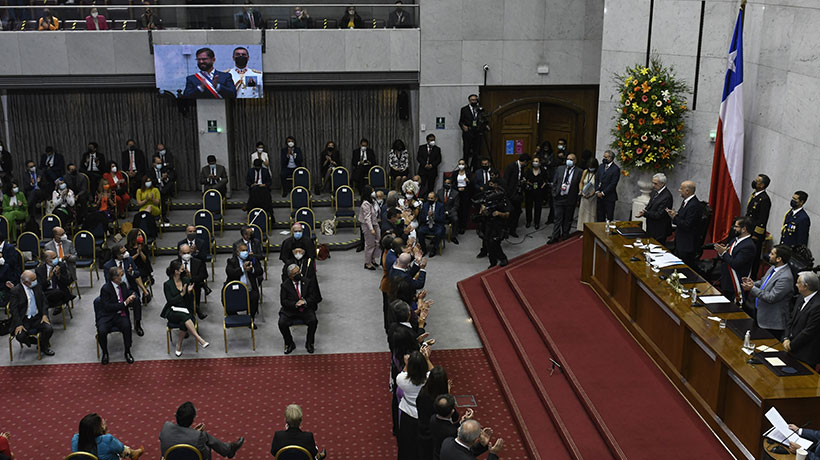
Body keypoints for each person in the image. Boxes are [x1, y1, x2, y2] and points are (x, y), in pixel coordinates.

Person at [741, 245, 793, 339]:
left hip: (771, 322)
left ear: (779, 259)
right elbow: (763, 282)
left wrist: (752, 288)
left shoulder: (786, 278)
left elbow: (771, 298)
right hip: (760, 313)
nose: (769, 255)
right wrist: (752, 283)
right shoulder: (773, 268)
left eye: (772, 254)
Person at [159, 402, 243, 459]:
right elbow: (204, 455)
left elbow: (173, 439)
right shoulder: (198, 436)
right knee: (206, 442)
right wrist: (196, 433)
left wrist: (192, 432)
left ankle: (229, 450)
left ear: (175, 415)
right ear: (193, 420)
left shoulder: (166, 427)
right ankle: (228, 450)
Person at [162, 260, 210, 356]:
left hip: (186, 309)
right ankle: (199, 339)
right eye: (182, 269)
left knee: (184, 320)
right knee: (185, 317)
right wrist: (182, 294)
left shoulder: (186, 281)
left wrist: (188, 293)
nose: (184, 271)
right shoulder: (167, 284)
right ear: (176, 271)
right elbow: (171, 301)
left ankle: (179, 345)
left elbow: (191, 300)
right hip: (172, 311)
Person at [97, 266, 140, 365]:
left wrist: (132, 294)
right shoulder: (105, 289)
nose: (123, 277)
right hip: (107, 315)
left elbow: (127, 293)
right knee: (102, 331)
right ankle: (105, 353)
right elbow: (107, 307)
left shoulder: (123, 285)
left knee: (127, 327)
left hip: (121, 314)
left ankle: (127, 351)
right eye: (121, 275)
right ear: (115, 278)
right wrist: (125, 303)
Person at [396, 347, 434, 460]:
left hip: (407, 414)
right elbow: (435, 373)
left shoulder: (401, 379)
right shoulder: (429, 379)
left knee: (407, 443)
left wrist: (407, 363)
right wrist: (427, 359)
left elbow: (404, 372)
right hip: (425, 414)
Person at [9, 270, 54, 356]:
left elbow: (44, 302)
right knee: (20, 336)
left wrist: (45, 315)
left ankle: (44, 347)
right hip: (24, 319)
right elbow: (14, 309)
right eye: (33, 280)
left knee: (49, 329)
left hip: (37, 317)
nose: (36, 281)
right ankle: (38, 342)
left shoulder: (37, 287)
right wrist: (18, 324)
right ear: (26, 282)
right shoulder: (16, 291)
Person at [103, 245, 149, 327]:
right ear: (117, 255)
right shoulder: (108, 266)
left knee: (137, 300)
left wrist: (131, 272)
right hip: (117, 290)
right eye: (123, 252)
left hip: (129, 289)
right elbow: (108, 282)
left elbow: (137, 273)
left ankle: (137, 324)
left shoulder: (129, 260)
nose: (126, 253)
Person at [279, 264, 320, 354]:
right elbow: (283, 301)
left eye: (298, 272)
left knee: (313, 321)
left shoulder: (307, 282)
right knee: (282, 323)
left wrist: (305, 302)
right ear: (290, 276)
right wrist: (295, 304)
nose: (298, 274)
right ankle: (289, 343)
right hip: (290, 310)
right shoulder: (285, 285)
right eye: (295, 273)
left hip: (305, 309)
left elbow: (313, 297)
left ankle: (309, 343)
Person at [715, 217, 756, 304]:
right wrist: (721, 251)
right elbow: (728, 255)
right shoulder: (735, 240)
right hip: (727, 279)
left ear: (744, 229)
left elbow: (735, 263)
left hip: (735, 282)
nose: (734, 228)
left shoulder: (748, 246)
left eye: (736, 227)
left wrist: (723, 253)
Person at [784, 271, 820, 367]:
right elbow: (791, 319)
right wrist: (786, 338)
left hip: (805, 353)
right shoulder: (801, 297)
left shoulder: (818, 306)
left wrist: (791, 345)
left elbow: (809, 331)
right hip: (791, 347)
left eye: (798, 283)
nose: (796, 285)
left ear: (805, 286)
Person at [666, 180, 704, 268]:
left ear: (687, 191)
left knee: (685, 269)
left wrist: (674, 217)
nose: (679, 190)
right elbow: (683, 218)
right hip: (681, 241)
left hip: (687, 244)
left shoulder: (693, 205)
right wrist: (675, 215)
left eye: (681, 189)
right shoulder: (687, 202)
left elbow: (687, 225)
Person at [474, 174, 510, 267]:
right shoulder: (488, 195)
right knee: (487, 241)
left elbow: (508, 214)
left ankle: (502, 258)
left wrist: (499, 213)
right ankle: (492, 262)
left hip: (499, 223)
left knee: (495, 242)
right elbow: (483, 207)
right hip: (488, 222)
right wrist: (483, 210)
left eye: (492, 184)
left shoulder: (503, 197)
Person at [72, 413, 144, 460]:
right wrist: (105, 432)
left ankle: (133, 453)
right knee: (119, 449)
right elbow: (120, 449)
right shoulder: (106, 439)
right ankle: (132, 453)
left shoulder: (75, 439)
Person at [417, 366, 450, 460]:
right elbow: (448, 414)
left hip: (423, 430)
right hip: (438, 433)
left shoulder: (423, 392)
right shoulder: (442, 400)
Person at [548, 153, 581, 244]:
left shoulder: (579, 171)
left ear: (575, 161)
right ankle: (555, 236)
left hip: (570, 198)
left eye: (571, 159)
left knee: (567, 218)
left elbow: (579, 185)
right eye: (568, 159)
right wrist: (554, 193)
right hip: (559, 197)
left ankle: (565, 235)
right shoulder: (560, 169)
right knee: (557, 218)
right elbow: (555, 182)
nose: (569, 161)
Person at [226, 243, 263, 321]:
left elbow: (260, 271)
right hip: (236, 287)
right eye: (243, 250)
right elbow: (230, 273)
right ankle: (234, 316)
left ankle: (251, 318)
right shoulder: (231, 261)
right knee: (225, 298)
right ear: (238, 252)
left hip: (250, 288)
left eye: (246, 250)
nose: (245, 252)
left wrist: (252, 270)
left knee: (255, 297)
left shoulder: (252, 259)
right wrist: (242, 269)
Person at [637, 173, 674, 245]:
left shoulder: (667, 196)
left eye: (655, 183)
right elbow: (650, 204)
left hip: (659, 229)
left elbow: (659, 214)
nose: (653, 185)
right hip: (651, 226)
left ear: (662, 184)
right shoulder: (655, 192)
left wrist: (645, 213)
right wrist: (644, 210)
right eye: (653, 183)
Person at [746, 174, 771, 277]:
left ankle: (752, 276)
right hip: (749, 229)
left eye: (757, 181)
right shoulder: (755, 195)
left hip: (755, 233)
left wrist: (756, 234)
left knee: (754, 256)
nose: (754, 182)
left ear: (762, 185)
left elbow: (762, 219)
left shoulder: (764, 199)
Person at [35, 250, 75, 315]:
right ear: (47, 260)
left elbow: (68, 282)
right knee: (48, 294)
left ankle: (56, 305)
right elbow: (41, 286)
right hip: (48, 292)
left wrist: (59, 275)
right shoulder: (39, 270)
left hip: (59, 289)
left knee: (57, 292)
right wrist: (48, 279)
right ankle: (60, 303)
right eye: (54, 258)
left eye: (56, 257)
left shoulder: (61, 265)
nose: (56, 259)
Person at [502, 153, 529, 237]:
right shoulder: (511, 166)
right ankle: (505, 230)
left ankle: (512, 230)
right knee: (509, 212)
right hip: (510, 194)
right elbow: (506, 181)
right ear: (525, 161)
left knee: (517, 212)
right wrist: (508, 194)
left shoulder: (523, 168)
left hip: (518, 193)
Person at [179, 244, 208, 319]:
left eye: (188, 253)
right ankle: (196, 310)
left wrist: (190, 278)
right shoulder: (175, 263)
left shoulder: (198, 262)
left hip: (195, 285)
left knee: (193, 291)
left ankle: (194, 310)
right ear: (180, 253)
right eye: (184, 253)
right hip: (180, 286)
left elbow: (202, 276)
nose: (186, 255)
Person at [459, 95, 488, 170]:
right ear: (469, 100)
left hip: (477, 132)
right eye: (472, 100)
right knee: (466, 150)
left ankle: (474, 167)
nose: (473, 101)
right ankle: (466, 167)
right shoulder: (464, 109)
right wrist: (463, 126)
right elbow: (460, 122)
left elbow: (483, 119)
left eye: (475, 100)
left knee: (477, 151)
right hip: (468, 132)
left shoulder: (480, 109)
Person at [522, 155, 548, 231]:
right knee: (528, 207)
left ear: (539, 163)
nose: (535, 163)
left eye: (536, 161)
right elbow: (524, 179)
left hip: (539, 192)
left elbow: (546, 180)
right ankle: (528, 221)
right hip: (529, 191)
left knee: (538, 207)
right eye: (534, 161)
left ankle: (537, 222)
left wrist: (543, 185)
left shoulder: (543, 171)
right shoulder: (529, 170)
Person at [418, 192, 447, 258]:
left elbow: (442, 219)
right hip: (427, 224)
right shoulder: (425, 205)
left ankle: (434, 249)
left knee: (439, 232)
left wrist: (434, 216)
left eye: (431, 198)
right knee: (420, 232)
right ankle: (423, 249)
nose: (429, 199)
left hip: (437, 225)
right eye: (428, 198)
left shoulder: (440, 206)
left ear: (435, 199)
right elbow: (422, 218)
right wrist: (427, 216)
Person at [360, 184, 381, 270]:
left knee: (377, 242)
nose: (374, 192)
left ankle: (373, 259)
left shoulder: (373, 200)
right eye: (372, 191)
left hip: (375, 223)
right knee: (370, 244)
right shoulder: (365, 203)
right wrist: (371, 229)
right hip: (368, 226)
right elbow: (367, 217)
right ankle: (367, 263)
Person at [595, 150, 620, 222]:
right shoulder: (601, 166)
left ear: (610, 158)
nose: (604, 159)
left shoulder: (615, 169)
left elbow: (613, 184)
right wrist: (597, 190)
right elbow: (596, 179)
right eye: (604, 157)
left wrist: (603, 193)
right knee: (599, 217)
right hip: (599, 197)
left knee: (609, 217)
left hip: (609, 197)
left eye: (606, 157)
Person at [150, 155, 175, 223]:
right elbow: (151, 181)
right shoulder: (150, 171)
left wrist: (166, 178)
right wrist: (160, 179)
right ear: (154, 164)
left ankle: (162, 193)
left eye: (160, 163)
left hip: (163, 188)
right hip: (155, 188)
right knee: (161, 196)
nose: (159, 165)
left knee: (170, 184)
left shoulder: (163, 169)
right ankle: (163, 215)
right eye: (158, 163)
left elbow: (167, 180)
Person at [575, 157, 597, 232]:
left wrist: (591, 194)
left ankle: (590, 230)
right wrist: (581, 190)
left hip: (592, 197)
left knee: (590, 214)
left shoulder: (596, 174)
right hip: (584, 195)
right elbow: (581, 182)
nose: (590, 168)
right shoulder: (585, 172)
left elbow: (597, 186)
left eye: (592, 167)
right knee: (582, 213)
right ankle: (582, 229)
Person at [0, 234, 22, 306]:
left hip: (10, 273)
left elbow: (12, 264)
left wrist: (2, 260)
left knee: (6, 267)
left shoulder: (10, 248)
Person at [437, 178, 460, 244]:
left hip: (450, 211)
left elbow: (456, 206)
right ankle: (437, 236)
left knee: (455, 219)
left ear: (451, 184)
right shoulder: (439, 192)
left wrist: (448, 212)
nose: (447, 184)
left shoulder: (455, 193)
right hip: (441, 211)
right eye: (445, 183)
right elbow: (437, 203)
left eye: (448, 183)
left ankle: (453, 236)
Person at [452, 159, 471, 234]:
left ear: (465, 165)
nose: (461, 165)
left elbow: (472, 183)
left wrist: (468, 182)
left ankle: (463, 227)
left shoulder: (468, 173)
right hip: (457, 192)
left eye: (462, 164)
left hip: (465, 193)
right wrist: (457, 188)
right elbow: (452, 183)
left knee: (464, 210)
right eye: (460, 164)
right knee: (457, 209)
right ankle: (457, 226)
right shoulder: (455, 173)